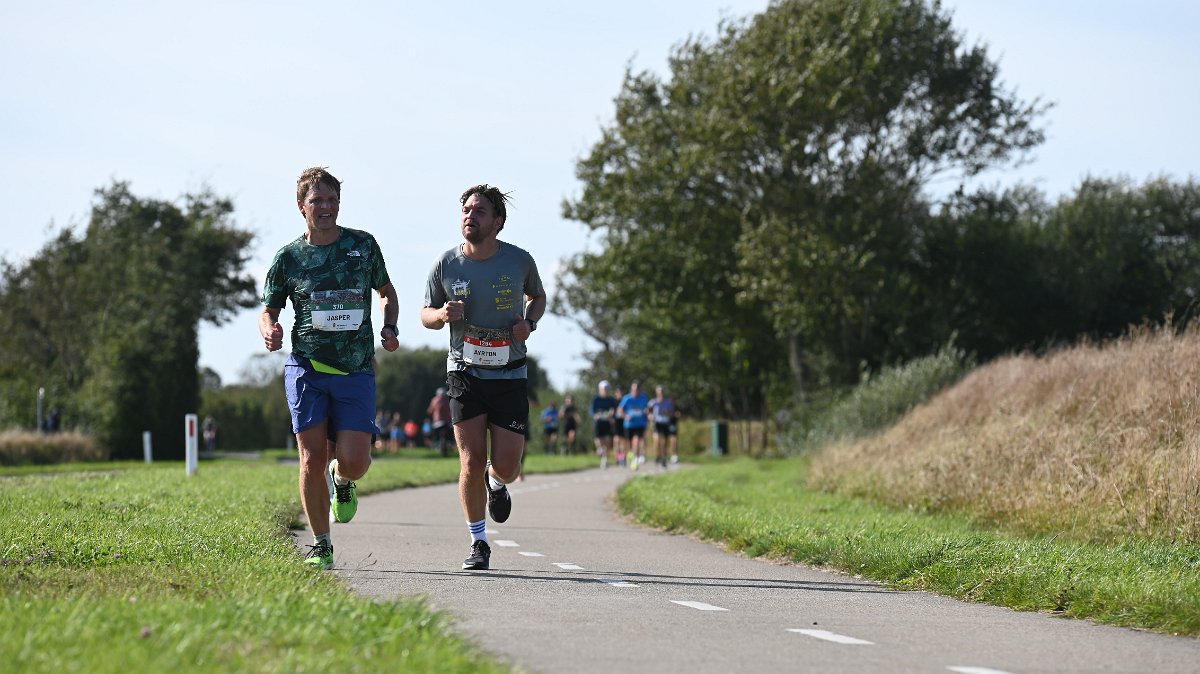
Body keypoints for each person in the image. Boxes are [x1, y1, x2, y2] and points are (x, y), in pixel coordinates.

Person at [260, 166, 400, 570]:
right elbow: (267, 308)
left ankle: (343, 479)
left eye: (332, 199)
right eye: (317, 200)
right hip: (307, 369)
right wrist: (271, 329)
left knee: (356, 461)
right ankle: (321, 544)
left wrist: (389, 326)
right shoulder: (288, 257)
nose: (326, 207)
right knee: (310, 457)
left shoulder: (363, 246)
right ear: (301, 206)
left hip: (355, 369)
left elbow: (386, 291)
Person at [421, 183, 546, 571]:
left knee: (508, 466)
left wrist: (529, 322)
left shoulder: (519, 261)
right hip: (464, 371)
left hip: (509, 373)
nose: (470, 216)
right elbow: (425, 313)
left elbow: (537, 297)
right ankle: (479, 541)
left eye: (479, 211)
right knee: (471, 460)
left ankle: (498, 482)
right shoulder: (446, 264)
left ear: (498, 222)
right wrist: (442, 316)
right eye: (466, 210)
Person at [618, 381, 650, 470]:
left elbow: (647, 409)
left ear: (639, 390)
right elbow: (620, 409)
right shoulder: (627, 398)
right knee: (628, 443)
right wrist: (625, 416)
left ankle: (637, 458)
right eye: (633, 390)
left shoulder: (644, 398)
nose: (635, 391)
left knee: (638, 440)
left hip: (640, 423)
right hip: (629, 424)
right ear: (631, 390)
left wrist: (647, 413)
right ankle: (631, 455)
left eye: (637, 390)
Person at [650, 385, 680, 468]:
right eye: (659, 392)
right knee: (657, 441)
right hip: (657, 424)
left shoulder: (669, 402)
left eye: (662, 392)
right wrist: (650, 416)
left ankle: (664, 457)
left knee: (665, 443)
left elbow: (673, 413)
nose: (661, 394)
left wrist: (669, 414)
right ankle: (658, 455)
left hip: (666, 424)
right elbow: (648, 412)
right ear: (657, 393)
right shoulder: (653, 402)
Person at [590, 381, 618, 468]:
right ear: (600, 389)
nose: (605, 390)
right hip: (599, 423)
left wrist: (611, 413)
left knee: (607, 441)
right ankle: (600, 450)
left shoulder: (611, 400)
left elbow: (614, 410)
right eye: (603, 389)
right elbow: (592, 410)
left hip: (607, 422)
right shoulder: (596, 399)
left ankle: (604, 460)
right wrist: (595, 415)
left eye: (606, 389)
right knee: (598, 440)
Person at [426, 386, 453, 457]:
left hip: (437, 422)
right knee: (451, 434)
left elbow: (429, 411)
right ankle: (450, 443)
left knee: (434, 435)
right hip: (447, 421)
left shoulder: (434, 400)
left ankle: (435, 443)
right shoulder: (448, 400)